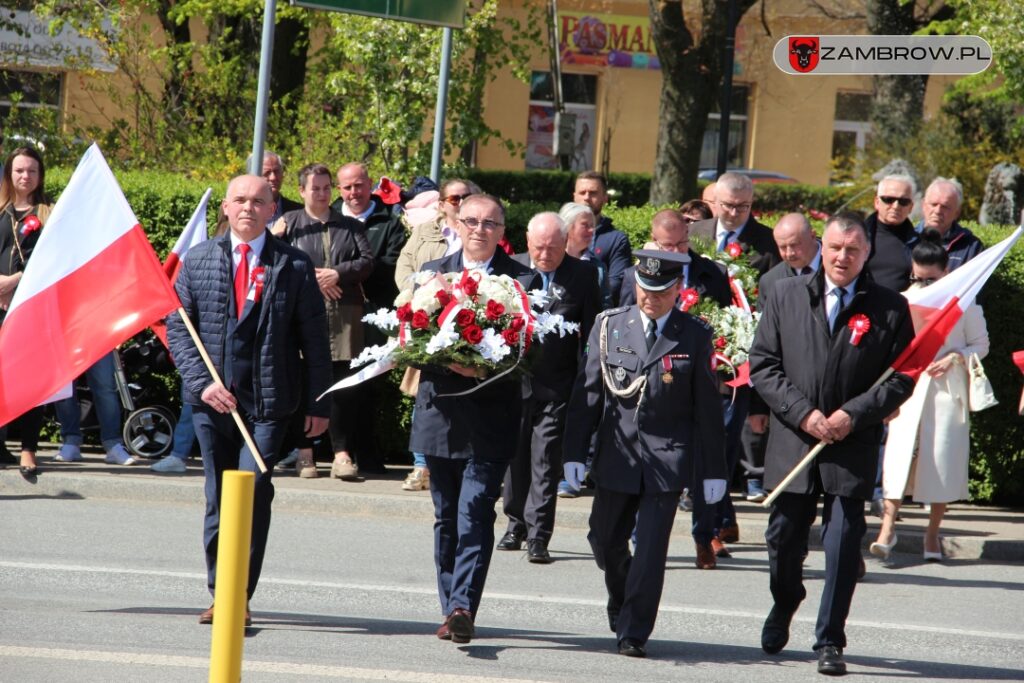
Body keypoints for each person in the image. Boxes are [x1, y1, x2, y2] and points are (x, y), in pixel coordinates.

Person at [749, 213, 915, 676]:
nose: (843, 257)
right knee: (782, 541)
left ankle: (830, 639)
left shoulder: (889, 307)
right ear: (823, 247)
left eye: (854, 250)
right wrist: (804, 413)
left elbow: (902, 377)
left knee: (843, 544)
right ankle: (786, 601)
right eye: (837, 248)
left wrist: (852, 415)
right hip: (795, 442)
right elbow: (763, 365)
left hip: (851, 443)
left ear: (866, 255)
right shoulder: (784, 294)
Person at [166, 174, 331, 626]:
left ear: (272, 209)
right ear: (225, 206)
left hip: (269, 405)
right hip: (212, 403)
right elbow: (178, 329)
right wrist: (203, 384)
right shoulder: (198, 261)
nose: (248, 208)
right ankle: (220, 591)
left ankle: (239, 594)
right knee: (219, 497)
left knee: (254, 491)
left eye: (259, 201)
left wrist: (319, 404)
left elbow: (315, 341)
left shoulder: (293, 266)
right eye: (239, 199)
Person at [563, 249, 727, 658]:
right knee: (603, 541)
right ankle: (621, 596)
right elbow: (586, 396)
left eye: (660, 291)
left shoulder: (694, 334)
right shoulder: (609, 327)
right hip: (617, 456)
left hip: (668, 460)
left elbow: (707, 411)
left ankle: (633, 630)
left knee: (651, 553)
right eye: (644, 288)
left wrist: (714, 472)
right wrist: (573, 453)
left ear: (678, 290)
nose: (650, 298)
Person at [409, 194, 540, 645]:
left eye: (490, 223)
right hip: (440, 411)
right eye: (471, 221)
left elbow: (534, 351)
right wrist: (446, 357)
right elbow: (411, 339)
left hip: (491, 418)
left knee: (474, 511)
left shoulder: (523, 280)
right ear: (455, 223)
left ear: (503, 232)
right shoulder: (432, 275)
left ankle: (464, 605)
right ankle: (452, 609)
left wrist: (487, 364)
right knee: (446, 517)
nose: (480, 230)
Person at [871, 230, 989, 563]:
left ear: (946, 274)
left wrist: (954, 358)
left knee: (942, 462)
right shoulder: (905, 300)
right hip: (908, 390)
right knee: (896, 459)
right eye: (916, 278)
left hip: (947, 391)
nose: (923, 285)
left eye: (930, 279)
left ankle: (933, 534)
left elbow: (981, 345)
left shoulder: (965, 303)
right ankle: (887, 529)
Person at [497, 212, 600, 563]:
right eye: (539, 248)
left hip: (557, 385)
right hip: (514, 383)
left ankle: (539, 535)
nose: (545, 255)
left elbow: (593, 335)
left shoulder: (583, 275)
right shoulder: (512, 271)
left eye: (553, 248)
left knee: (544, 460)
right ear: (528, 242)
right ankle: (515, 524)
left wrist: (587, 381)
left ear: (566, 242)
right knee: (515, 459)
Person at [273, 163, 374, 481]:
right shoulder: (289, 223)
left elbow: (367, 261)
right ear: (301, 190)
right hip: (302, 314)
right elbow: (274, 258)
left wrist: (338, 273)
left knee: (343, 385)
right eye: (315, 188)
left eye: (327, 187)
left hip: (344, 315)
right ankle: (305, 454)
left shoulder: (350, 226)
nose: (322, 193)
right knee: (303, 383)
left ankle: (342, 454)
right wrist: (314, 279)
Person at [394, 178, 481, 491]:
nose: (459, 203)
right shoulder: (424, 232)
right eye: (454, 198)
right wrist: (415, 295)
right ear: (442, 203)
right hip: (429, 320)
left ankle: (464, 463)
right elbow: (404, 266)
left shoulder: (483, 231)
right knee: (425, 395)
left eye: (466, 197)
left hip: (469, 325)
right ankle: (421, 466)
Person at [332, 162, 408, 475]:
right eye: (347, 187)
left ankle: (368, 453)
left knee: (369, 386)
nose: (354, 193)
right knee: (339, 385)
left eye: (359, 185)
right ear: (340, 190)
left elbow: (389, 269)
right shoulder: (331, 218)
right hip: (335, 316)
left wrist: (345, 273)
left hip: (375, 315)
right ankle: (340, 452)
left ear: (370, 185)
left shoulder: (389, 222)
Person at [745, 213, 821, 502]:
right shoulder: (772, 281)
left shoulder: (838, 268)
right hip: (789, 394)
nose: (789, 253)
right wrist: (758, 406)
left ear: (813, 236)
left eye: (795, 245)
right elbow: (765, 349)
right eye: (782, 247)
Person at [0, 146, 52, 476]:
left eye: (31, 171)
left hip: (32, 306)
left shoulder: (49, 212)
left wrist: (14, 281)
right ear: (9, 173)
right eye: (19, 170)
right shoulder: (1, 210)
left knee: (31, 379)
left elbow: (53, 259)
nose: (25, 176)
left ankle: (29, 449)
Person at [618, 209, 731, 309]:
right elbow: (627, 323)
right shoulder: (634, 277)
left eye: (681, 243)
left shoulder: (716, 272)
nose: (677, 251)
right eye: (669, 246)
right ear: (654, 239)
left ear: (687, 233)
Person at [52, 352, 137, 466]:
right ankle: (70, 441)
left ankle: (112, 444)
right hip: (65, 337)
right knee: (64, 387)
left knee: (105, 387)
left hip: (97, 335)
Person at [689, 172, 780, 275]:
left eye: (742, 206)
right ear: (715, 201)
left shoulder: (770, 242)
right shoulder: (694, 231)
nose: (733, 213)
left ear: (751, 202)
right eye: (728, 205)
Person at [573, 171, 631, 305]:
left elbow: (615, 284)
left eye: (593, 193)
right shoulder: (559, 232)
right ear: (574, 196)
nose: (586, 197)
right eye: (582, 193)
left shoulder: (616, 239)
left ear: (605, 198)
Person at [865, 174, 918, 292]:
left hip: (900, 308)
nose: (896, 206)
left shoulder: (918, 244)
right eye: (889, 199)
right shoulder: (858, 236)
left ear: (911, 207)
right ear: (877, 202)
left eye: (903, 201)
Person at [919, 177, 982, 271]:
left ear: (957, 212)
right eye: (933, 204)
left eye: (945, 207)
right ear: (923, 205)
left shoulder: (971, 247)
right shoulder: (908, 239)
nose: (938, 211)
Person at [560, 201, 611, 310]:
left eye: (592, 225)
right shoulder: (551, 261)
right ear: (567, 227)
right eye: (585, 225)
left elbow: (606, 308)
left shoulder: (599, 268)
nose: (592, 230)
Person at [257, 151, 303, 228]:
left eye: (276, 171)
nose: (273, 177)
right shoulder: (242, 212)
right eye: (267, 173)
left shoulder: (298, 212)